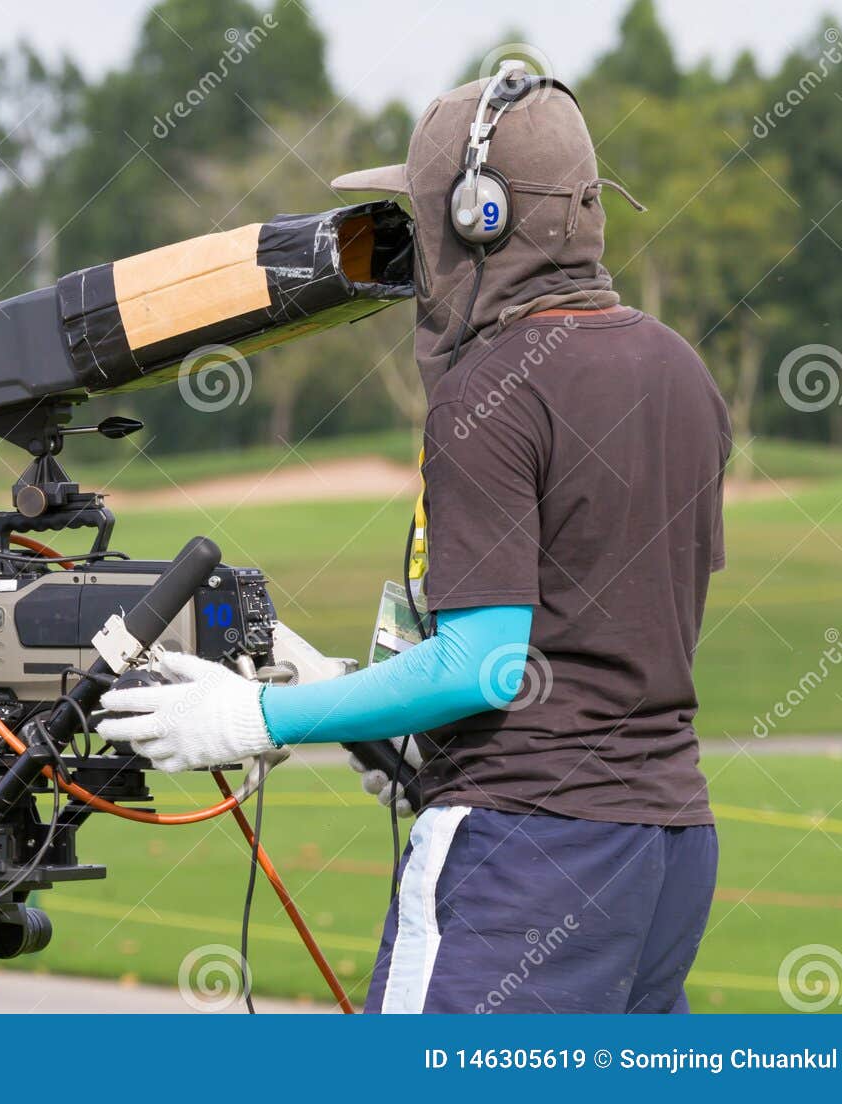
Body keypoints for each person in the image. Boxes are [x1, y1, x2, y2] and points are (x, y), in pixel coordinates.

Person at [98, 65, 730, 1014]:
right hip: (668, 848)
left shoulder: (493, 386)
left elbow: (483, 667)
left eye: (421, 217)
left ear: (480, 216)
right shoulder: (680, 368)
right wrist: (355, 701)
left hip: (526, 851)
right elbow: (591, 639)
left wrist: (252, 719)